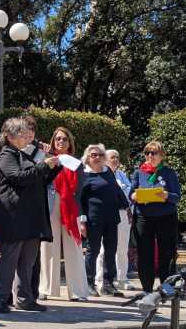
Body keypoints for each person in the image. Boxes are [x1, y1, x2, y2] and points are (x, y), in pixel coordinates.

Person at [0, 118, 60, 313]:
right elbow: (18, 178)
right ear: (10, 137)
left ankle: (24, 298)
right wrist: (44, 166)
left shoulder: (25, 154)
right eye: (21, 134)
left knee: (27, 261)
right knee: (9, 259)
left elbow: (40, 179)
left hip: (30, 215)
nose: (26, 137)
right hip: (14, 215)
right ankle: (0, 299)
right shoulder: (6, 154)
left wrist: (54, 166)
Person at [77, 143, 129, 298]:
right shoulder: (84, 175)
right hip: (93, 219)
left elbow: (117, 190)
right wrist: (82, 221)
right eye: (94, 155)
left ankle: (108, 284)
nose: (97, 157)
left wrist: (127, 207)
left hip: (111, 217)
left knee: (111, 251)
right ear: (87, 158)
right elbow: (79, 199)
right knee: (92, 251)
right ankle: (89, 283)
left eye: (100, 155)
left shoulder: (108, 172)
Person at [45, 126, 91, 301]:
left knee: (74, 249)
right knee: (48, 247)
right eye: (58, 138)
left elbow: (81, 192)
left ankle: (78, 291)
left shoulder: (77, 163)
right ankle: (46, 289)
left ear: (70, 143)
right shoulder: (48, 159)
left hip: (71, 207)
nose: (61, 141)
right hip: (51, 204)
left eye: (64, 139)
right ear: (53, 141)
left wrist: (82, 217)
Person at [130, 141, 181, 293]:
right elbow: (131, 194)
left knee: (167, 253)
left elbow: (177, 197)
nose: (150, 156)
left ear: (162, 155)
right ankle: (147, 289)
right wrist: (134, 196)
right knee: (145, 253)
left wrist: (166, 195)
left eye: (154, 153)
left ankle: (167, 288)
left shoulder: (169, 173)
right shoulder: (138, 173)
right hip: (144, 217)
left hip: (166, 217)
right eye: (147, 153)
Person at [96, 149, 134, 291]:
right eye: (112, 157)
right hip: (106, 214)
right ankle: (100, 279)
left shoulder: (122, 175)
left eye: (117, 157)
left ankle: (122, 278)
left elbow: (129, 194)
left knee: (122, 248)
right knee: (104, 249)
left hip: (123, 213)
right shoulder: (99, 174)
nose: (116, 159)